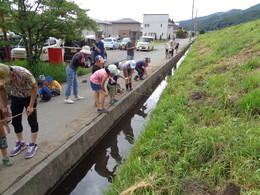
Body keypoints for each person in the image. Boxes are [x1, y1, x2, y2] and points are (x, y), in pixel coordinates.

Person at [0, 63, 39, 159]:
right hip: (16, 96)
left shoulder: (24, 74)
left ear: (9, 74)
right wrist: (5, 106)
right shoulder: (2, 76)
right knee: (16, 121)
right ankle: (21, 142)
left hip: (29, 96)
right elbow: (2, 89)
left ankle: (33, 144)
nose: (4, 83)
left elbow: (35, 88)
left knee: (32, 120)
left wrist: (30, 106)